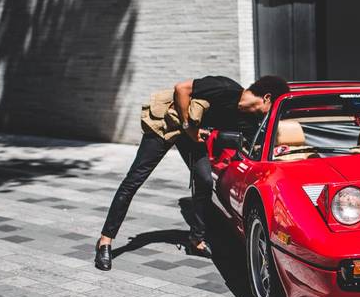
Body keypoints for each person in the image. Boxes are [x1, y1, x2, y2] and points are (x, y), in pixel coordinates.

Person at [94, 75, 289, 270]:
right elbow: (181, 89)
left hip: (190, 134)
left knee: (204, 179)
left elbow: (257, 145)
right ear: (267, 98)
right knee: (134, 180)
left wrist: (279, 150)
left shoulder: (246, 119)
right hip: (166, 126)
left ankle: (196, 239)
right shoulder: (225, 87)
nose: (270, 116)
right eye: (273, 109)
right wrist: (188, 127)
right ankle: (105, 241)